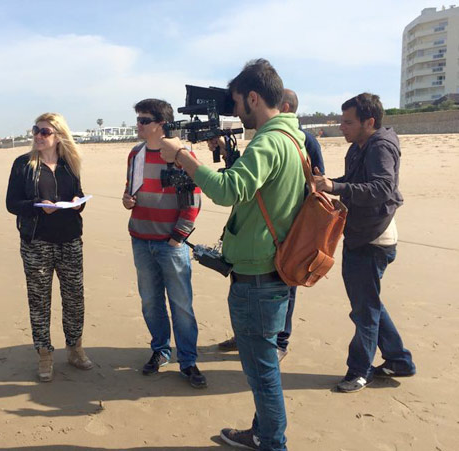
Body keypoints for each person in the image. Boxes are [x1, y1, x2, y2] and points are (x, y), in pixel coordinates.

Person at [160, 59, 305, 450]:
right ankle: (263, 433)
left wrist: (184, 159)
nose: (234, 110)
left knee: (262, 374)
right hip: (271, 270)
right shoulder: (291, 137)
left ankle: (272, 442)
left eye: (237, 102)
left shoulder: (270, 140)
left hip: (258, 277)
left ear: (253, 98)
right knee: (265, 368)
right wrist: (228, 155)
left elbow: (229, 192)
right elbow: (258, 188)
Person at [313, 93, 416, 393]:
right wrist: (330, 183)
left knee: (364, 308)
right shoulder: (359, 146)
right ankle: (399, 360)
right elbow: (355, 179)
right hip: (362, 233)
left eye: (348, 122)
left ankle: (360, 370)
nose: (341, 126)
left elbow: (382, 188)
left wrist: (336, 186)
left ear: (369, 122)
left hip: (373, 238)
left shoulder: (381, 146)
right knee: (368, 303)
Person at [217, 88, 326, 361]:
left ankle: (280, 340)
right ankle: (251, 335)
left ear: (284, 106)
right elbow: (252, 180)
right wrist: (226, 153)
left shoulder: (300, 140)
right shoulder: (269, 139)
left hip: (286, 231)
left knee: (285, 285)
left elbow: (314, 182)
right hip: (260, 231)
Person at [121, 98, 206, 389]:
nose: (139, 125)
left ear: (161, 124)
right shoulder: (136, 154)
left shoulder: (183, 154)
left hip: (171, 244)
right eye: (138, 120)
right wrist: (127, 200)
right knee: (150, 302)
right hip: (141, 239)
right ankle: (160, 350)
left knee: (181, 305)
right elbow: (129, 190)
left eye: (144, 120)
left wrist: (177, 237)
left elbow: (193, 200)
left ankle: (188, 361)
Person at [6, 112, 93, 383]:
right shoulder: (23, 164)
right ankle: (44, 353)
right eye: (36, 130)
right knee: (39, 300)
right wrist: (37, 206)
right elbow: (11, 203)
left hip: (70, 239)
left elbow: (77, 195)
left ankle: (75, 348)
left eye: (45, 132)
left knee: (74, 298)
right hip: (37, 243)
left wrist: (79, 202)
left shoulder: (70, 164)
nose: (38, 136)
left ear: (58, 136)